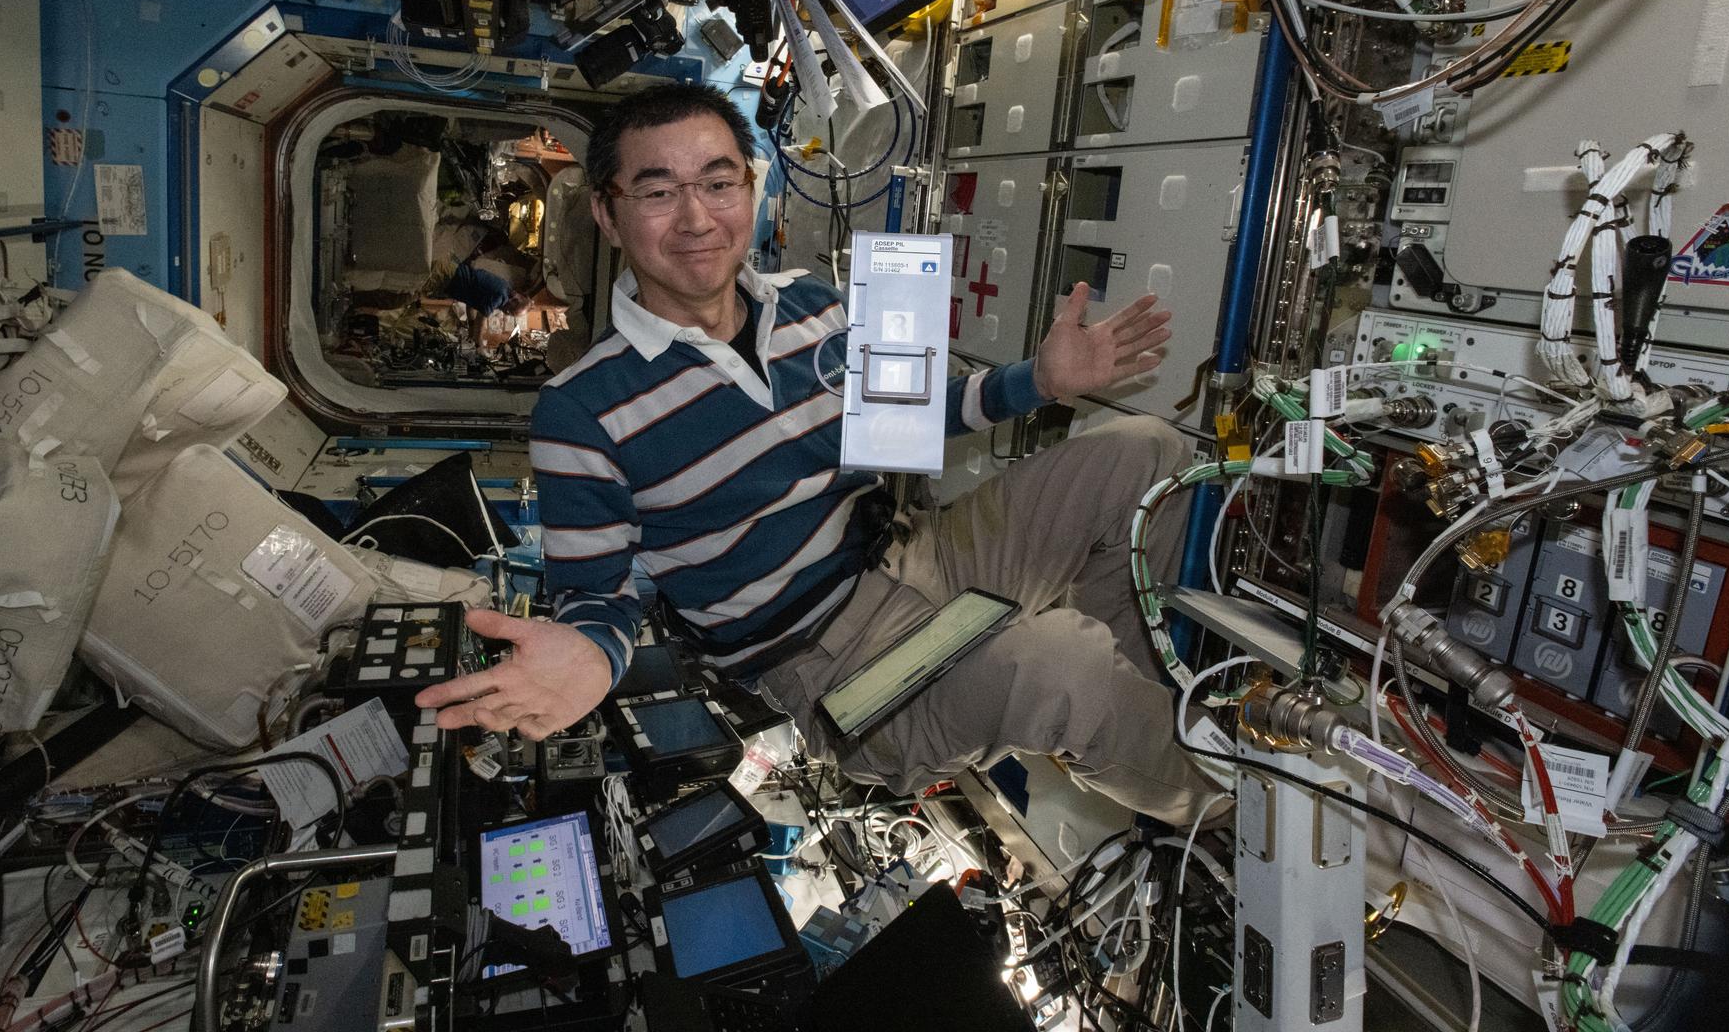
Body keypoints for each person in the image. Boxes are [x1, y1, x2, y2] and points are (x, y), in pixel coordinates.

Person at [417, 84, 1222, 824]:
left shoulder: (813, 304)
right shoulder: (581, 410)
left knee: (1145, 452)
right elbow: (603, 589)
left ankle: (1150, 718)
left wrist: (1036, 381)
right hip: (830, 667)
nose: (696, 218)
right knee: (1060, 665)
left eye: (718, 183)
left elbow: (905, 418)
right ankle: (1229, 813)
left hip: (919, 556)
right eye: (659, 192)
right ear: (607, 212)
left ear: (751, 188)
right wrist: (591, 650)